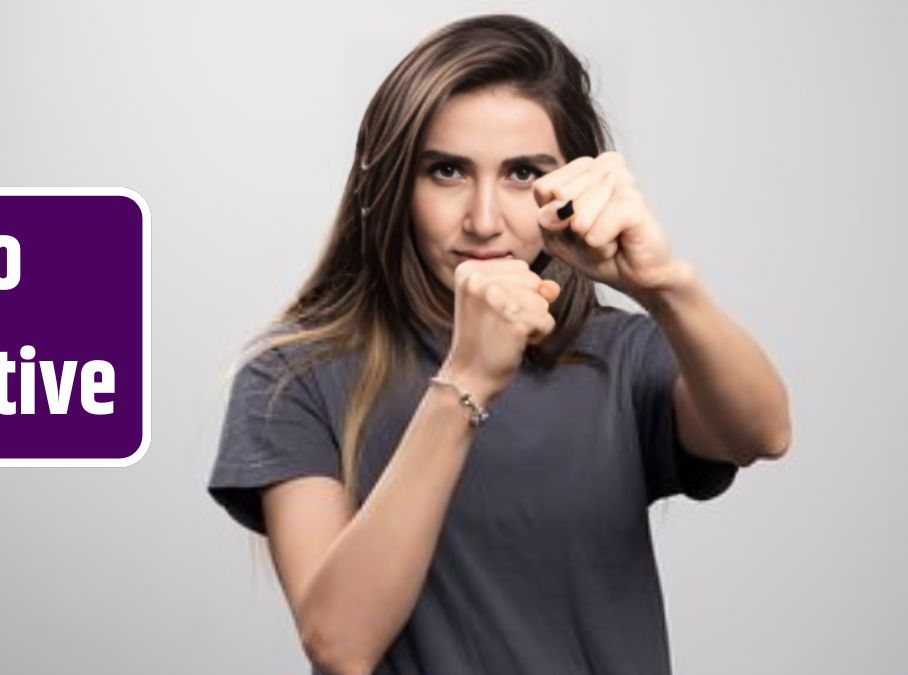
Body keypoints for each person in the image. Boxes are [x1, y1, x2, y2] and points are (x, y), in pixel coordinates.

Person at [206, 13, 791, 675]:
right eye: (448, 171)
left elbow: (762, 432)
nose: (484, 220)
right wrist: (467, 380)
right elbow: (340, 643)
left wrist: (664, 286)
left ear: (568, 185)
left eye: (521, 174)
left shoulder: (621, 357)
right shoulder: (295, 377)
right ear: (395, 182)